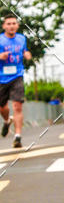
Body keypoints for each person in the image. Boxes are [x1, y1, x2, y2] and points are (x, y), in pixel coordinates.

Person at [0, 12, 32, 148]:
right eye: (9, 24)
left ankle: (17, 136)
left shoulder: (22, 39)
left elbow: (25, 51)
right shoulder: (0, 39)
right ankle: (7, 121)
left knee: (17, 106)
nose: (11, 26)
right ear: (4, 26)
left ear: (17, 26)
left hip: (17, 75)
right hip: (2, 77)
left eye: (14, 23)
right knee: (2, 107)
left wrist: (27, 54)